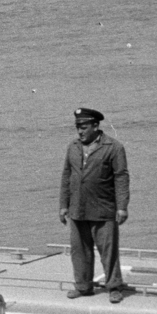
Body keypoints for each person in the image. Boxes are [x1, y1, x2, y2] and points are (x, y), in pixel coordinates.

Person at [58, 106, 131, 303]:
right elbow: (67, 176)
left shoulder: (114, 147)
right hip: (77, 209)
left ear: (96, 126)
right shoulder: (72, 147)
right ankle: (83, 286)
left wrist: (122, 207)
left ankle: (114, 287)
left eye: (84, 127)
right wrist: (63, 205)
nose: (80, 131)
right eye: (77, 127)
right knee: (79, 251)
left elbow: (121, 178)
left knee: (108, 251)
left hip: (103, 209)